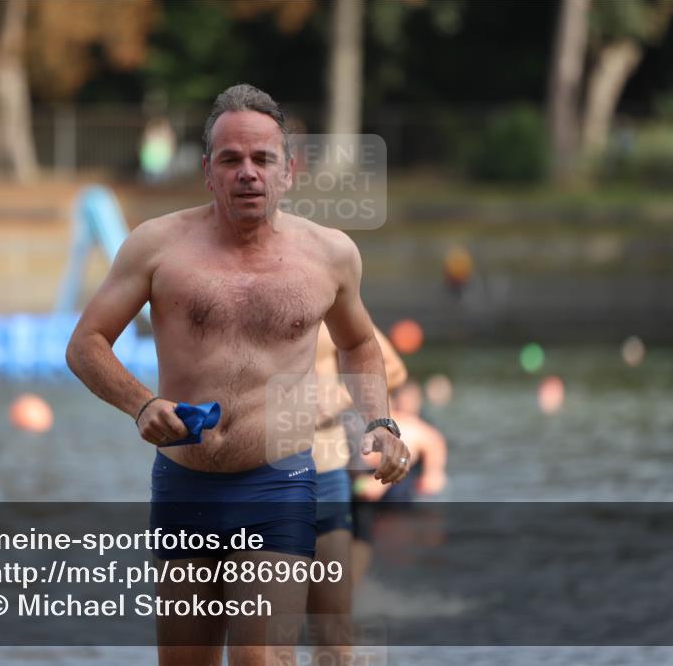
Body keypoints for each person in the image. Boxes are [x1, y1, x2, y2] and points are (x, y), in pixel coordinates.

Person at [66, 84, 411, 666]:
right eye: (230, 159)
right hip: (184, 484)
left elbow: (359, 344)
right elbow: (85, 344)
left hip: (279, 483)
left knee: (261, 659)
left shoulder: (329, 254)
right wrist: (141, 404)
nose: (247, 172)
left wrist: (379, 421)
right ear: (208, 172)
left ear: (288, 171)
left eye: (262, 159)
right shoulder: (156, 246)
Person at [307, 323, 407, 662]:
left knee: (333, 620)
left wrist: (334, 400)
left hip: (327, 467)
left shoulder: (327, 300)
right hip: (249, 474)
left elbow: (393, 368)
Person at [351, 381, 448, 587]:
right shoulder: (369, 425)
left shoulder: (423, 433)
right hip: (366, 488)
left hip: (394, 496)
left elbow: (434, 480)